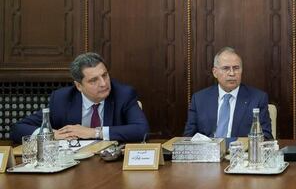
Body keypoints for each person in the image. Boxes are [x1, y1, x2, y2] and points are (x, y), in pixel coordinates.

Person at [11, 52, 149, 143]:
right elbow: (18, 129)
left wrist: (94, 132)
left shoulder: (123, 94)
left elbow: (141, 130)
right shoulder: (62, 99)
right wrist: (51, 135)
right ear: (79, 86)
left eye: (105, 75)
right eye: (93, 80)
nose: (103, 83)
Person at [183, 46, 272, 139]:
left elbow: (266, 137)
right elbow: (188, 137)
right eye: (226, 68)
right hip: (208, 148)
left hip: (241, 148)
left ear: (241, 70)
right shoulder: (199, 99)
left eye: (236, 68)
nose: (232, 73)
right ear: (215, 72)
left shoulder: (257, 98)